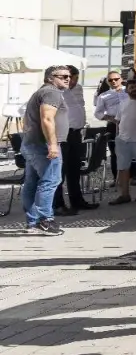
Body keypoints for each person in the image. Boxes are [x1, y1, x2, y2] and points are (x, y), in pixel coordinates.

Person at [20, 65, 72, 236]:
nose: (67, 78)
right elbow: (47, 118)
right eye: (62, 76)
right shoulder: (51, 92)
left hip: (32, 143)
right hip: (43, 145)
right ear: (50, 78)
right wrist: (52, 144)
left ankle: (33, 223)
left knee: (32, 184)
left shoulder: (41, 92)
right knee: (50, 181)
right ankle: (46, 220)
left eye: (69, 76)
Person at [55, 66, 97, 214]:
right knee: (59, 172)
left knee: (74, 170)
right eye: (70, 78)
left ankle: (77, 200)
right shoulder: (56, 90)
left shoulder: (78, 88)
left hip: (76, 133)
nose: (72, 81)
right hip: (61, 135)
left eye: (75, 78)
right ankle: (58, 205)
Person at [112, 78, 136, 210]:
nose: (135, 89)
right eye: (132, 87)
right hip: (123, 140)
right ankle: (125, 195)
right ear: (127, 89)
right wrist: (118, 136)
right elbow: (118, 120)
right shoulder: (123, 102)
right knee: (123, 168)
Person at [94, 73, 130, 202]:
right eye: (111, 80)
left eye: (116, 79)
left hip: (131, 123)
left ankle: (134, 176)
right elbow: (98, 113)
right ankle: (117, 178)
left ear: (121, 79)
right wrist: (110, 118)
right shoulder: (103, 96)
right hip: (113, 124)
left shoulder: (129, 91)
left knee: (133, 150)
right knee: (115, 152)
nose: (114, 81)